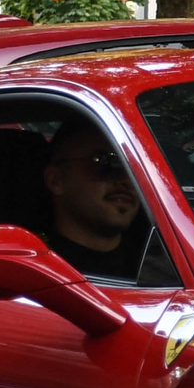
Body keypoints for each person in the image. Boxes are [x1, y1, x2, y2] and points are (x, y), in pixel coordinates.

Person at [37, 117, 145, 277]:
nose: (127, 180)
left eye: (135, 168)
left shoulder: (164, 269)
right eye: (107, 163)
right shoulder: (36, 269)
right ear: (56, 181)